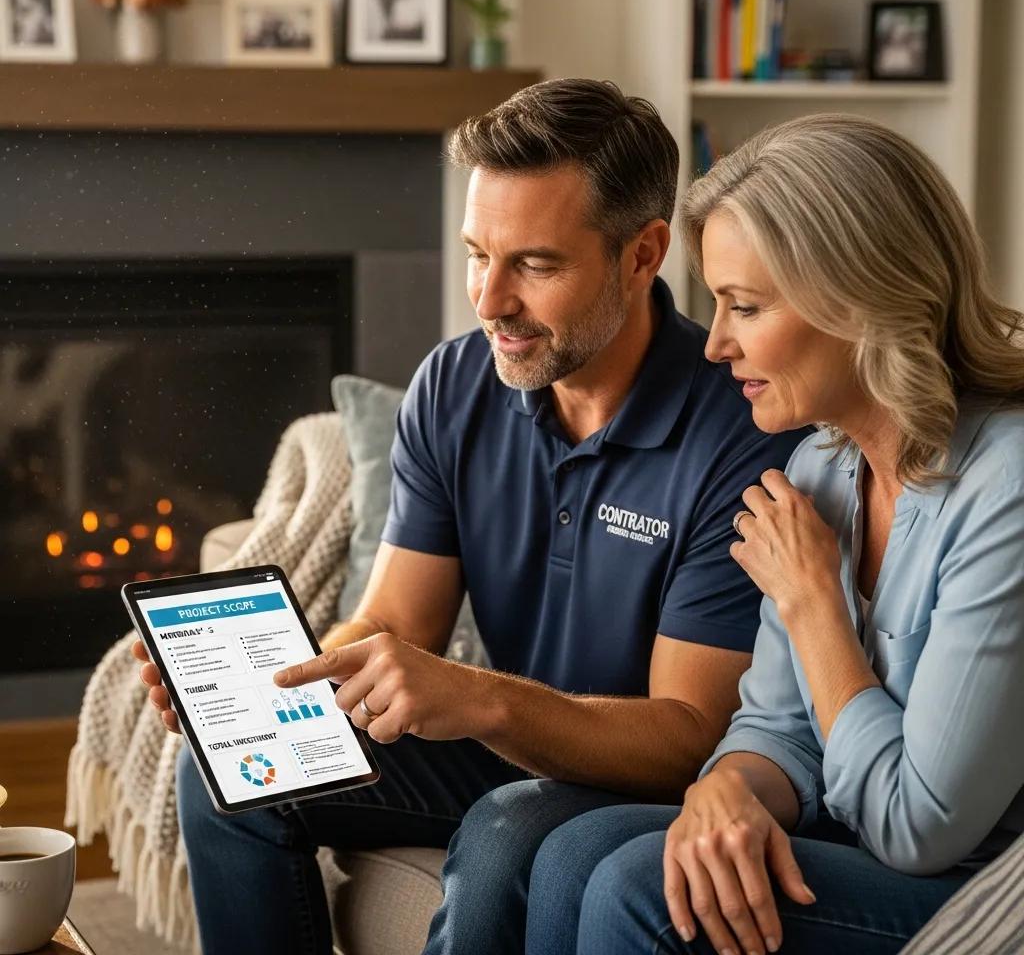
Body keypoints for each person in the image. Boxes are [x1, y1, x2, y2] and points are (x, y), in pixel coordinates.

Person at [133, 78, 806, 955]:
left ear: (643, 256)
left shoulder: (738, 430)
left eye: (535, 264)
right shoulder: (452, 386)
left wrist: (479, 698)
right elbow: (394, 624)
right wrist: (270, 686)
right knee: (227, 770)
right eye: (475, 254)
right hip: (506, 737)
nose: (489, 301)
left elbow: (687, 736)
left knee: (502, 834)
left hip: (640, 776)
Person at [521, 112, 1024, 955]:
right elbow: (777, 725)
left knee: (641, 889)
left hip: (988, 895)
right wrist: (729, 786)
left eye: (744, 306)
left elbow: (918, 826)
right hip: (872, 846)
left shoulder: (1005, 487)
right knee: (572, 851)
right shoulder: (823, 469)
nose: (715, 344)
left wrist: (815, 603)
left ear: (859, 299)